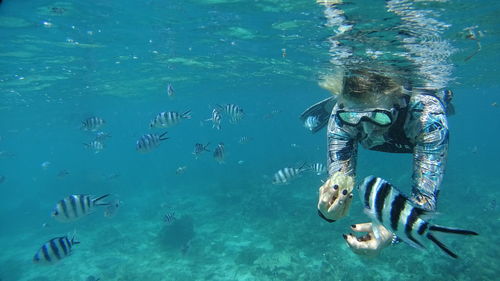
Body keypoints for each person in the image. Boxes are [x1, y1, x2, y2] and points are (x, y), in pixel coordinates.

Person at [302, 68, 454, 256]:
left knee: (441, 100)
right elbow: (340, 180)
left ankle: (445, 96)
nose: (367, 130)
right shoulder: (341, 113)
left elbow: (425, 201)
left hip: (417, 121)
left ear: (400, 101)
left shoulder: (428, 120)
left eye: (378, 117)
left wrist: (390, 232)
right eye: (354, 117)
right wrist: (328, 210)